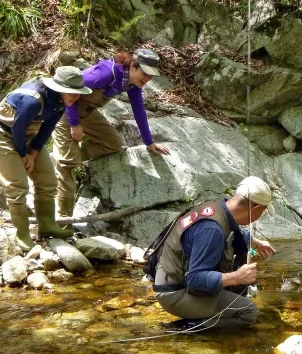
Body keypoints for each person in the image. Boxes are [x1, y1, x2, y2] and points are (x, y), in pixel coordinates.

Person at [52, 48, 171, 219]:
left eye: (151, 76)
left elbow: (139, 110)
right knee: (68, 164)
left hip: (88, 112)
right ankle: (63, 220)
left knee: (113, 143)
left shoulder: (132, 83)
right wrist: (74, 123)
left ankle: (61, 158)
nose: (147, 79)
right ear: (132, 66)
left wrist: (149, 142)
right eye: (144, 73)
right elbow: (70, 89)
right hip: (65, 109)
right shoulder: (106, 74)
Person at [0, 66, 92, 250]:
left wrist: (33, 154)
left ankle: (47, 226)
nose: (76, 97)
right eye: (72, 93)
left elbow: (47, 128)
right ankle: (22, 234)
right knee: (17, 186)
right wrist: (23, 155)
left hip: (28, 134)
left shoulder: (62, 102)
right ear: (60, 88)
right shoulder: (33, 100)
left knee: (48, 180)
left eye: (78, 93)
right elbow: (17, 129)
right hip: (2, 132)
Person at [153, 176, 277, 330]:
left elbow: (233, 233)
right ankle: (188, 326)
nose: (261, 215)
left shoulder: (219, 209)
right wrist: (236, 277)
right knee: (248, 312)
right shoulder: (211, 230)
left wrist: (255, 243)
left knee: (242, 289)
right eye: (264, 211)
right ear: (256, 209)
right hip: (174, 293)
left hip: (169, 277)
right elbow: (195, 279)